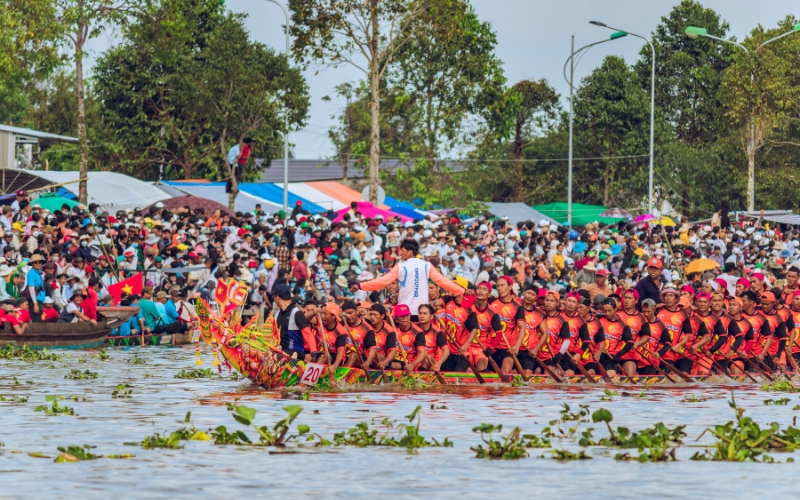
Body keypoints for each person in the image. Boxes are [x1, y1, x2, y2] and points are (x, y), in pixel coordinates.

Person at [358, 239, 466, 315]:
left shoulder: (400, 266)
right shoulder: (427, 265)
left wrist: (360, 285)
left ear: (410, 252)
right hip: (422, 313)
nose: (400, 253)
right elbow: (443, 281)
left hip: (403, 312)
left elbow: (383, 281)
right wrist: (462, 290)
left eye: (402, 250)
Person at [273, 283, 308, 359]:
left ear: (277, 297)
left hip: (296, 352)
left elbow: (308, 334)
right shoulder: (277, 314)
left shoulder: (296, 313)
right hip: (281, 350)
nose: (274, 299)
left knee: (275, 357)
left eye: (274, 297)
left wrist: (314, 351)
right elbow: (273, 335)